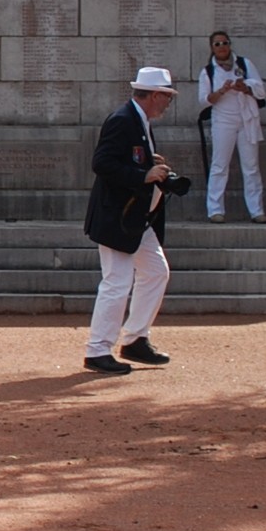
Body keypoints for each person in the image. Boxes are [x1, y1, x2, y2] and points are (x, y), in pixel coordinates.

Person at [83, 66, 179, 375]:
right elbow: (102, 163)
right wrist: (143, 174)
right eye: (166, 97)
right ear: (154, 95)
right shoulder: (124, 120)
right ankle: (98, 350)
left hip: (135, 218)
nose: (167, 103)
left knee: (155, 271)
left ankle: (135, 338)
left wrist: (151, 165)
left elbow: (126, 158)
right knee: (117, 281)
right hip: (118, 217)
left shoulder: (138, 119)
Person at [196, 29, 266, 222]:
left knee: (251, 166)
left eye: (224, 43)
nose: (222, 47)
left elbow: (260, 89)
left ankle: (257, 211)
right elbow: (204, 100)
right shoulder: (208, 71)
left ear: (229, 44)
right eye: (217, 44)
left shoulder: (244, 64)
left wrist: (245, 87)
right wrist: (222, 90)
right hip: (223, 121)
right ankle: (215, 210)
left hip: (246, 119)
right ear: (212, 48)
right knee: (220, 165)